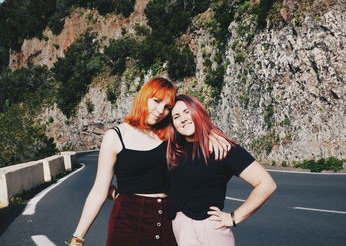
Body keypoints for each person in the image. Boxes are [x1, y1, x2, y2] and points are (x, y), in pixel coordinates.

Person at [68, 78, 230, 246]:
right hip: (127, 222)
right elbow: (99, 191)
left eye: (167, 107)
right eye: (156, 101)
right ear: (144, 97)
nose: (161, 111)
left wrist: (212, 133)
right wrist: (78, 238)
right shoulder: (115, 136)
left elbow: (192, 120)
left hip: (168, 220)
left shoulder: (171, 133)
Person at [166, 94, 277, 246]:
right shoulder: (173, 150)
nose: (183, 119)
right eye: (176, 116)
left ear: (198, 112)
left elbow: (266, 184)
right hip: (180, 229)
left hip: (211, 231)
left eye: (187, 112)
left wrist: (233, 217)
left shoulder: (222, 148)